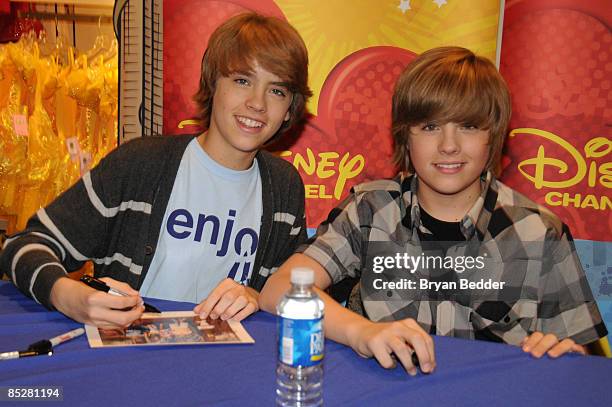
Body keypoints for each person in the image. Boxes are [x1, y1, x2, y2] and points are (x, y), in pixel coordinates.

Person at [259, 46, 607, 375]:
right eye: (430, 127)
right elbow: (278, 291)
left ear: (494, 136)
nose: (449, 146)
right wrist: (360, 332)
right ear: (405, 137)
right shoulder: (372, 209)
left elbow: (589, 365)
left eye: (468, 126)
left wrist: (567, 357)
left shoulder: (539, 233)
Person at [0, 12, 312, 328]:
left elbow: (293, 289)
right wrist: (69, 296)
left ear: (289, 109)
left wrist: (255, 295)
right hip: (133, 361)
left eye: (277, 90)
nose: (257, 103)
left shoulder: (284, 187)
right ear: (212, 83)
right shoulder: (140, 165)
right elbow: (22, 246)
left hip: (227, 367)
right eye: (242, 80)